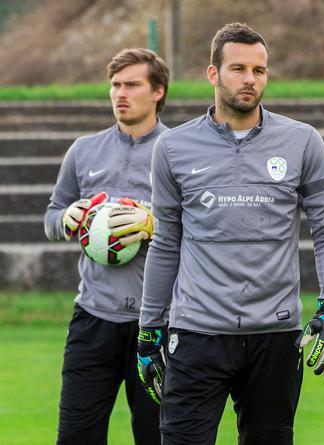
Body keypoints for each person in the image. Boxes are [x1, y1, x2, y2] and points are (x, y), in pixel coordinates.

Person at [136, 22, 324, 445]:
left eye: (259, 70)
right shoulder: (173, 148)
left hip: (275, 336)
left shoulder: (303, 142)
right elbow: (166, 242)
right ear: (213, 74)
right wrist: (148, 330)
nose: (249, 79)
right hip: (197, 334)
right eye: (237, 68)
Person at [44, 48, 170, 444]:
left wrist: (154, 224)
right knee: (76, 438)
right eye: (115, 85)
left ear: (158, 92)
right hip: (93, 321)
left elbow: (206, 229)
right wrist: (65, 220)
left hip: (161, 325)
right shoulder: (84, 150)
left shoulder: (181, 151)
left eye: (132, 85)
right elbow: (51, 215)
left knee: (159, 438)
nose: (120, 93)